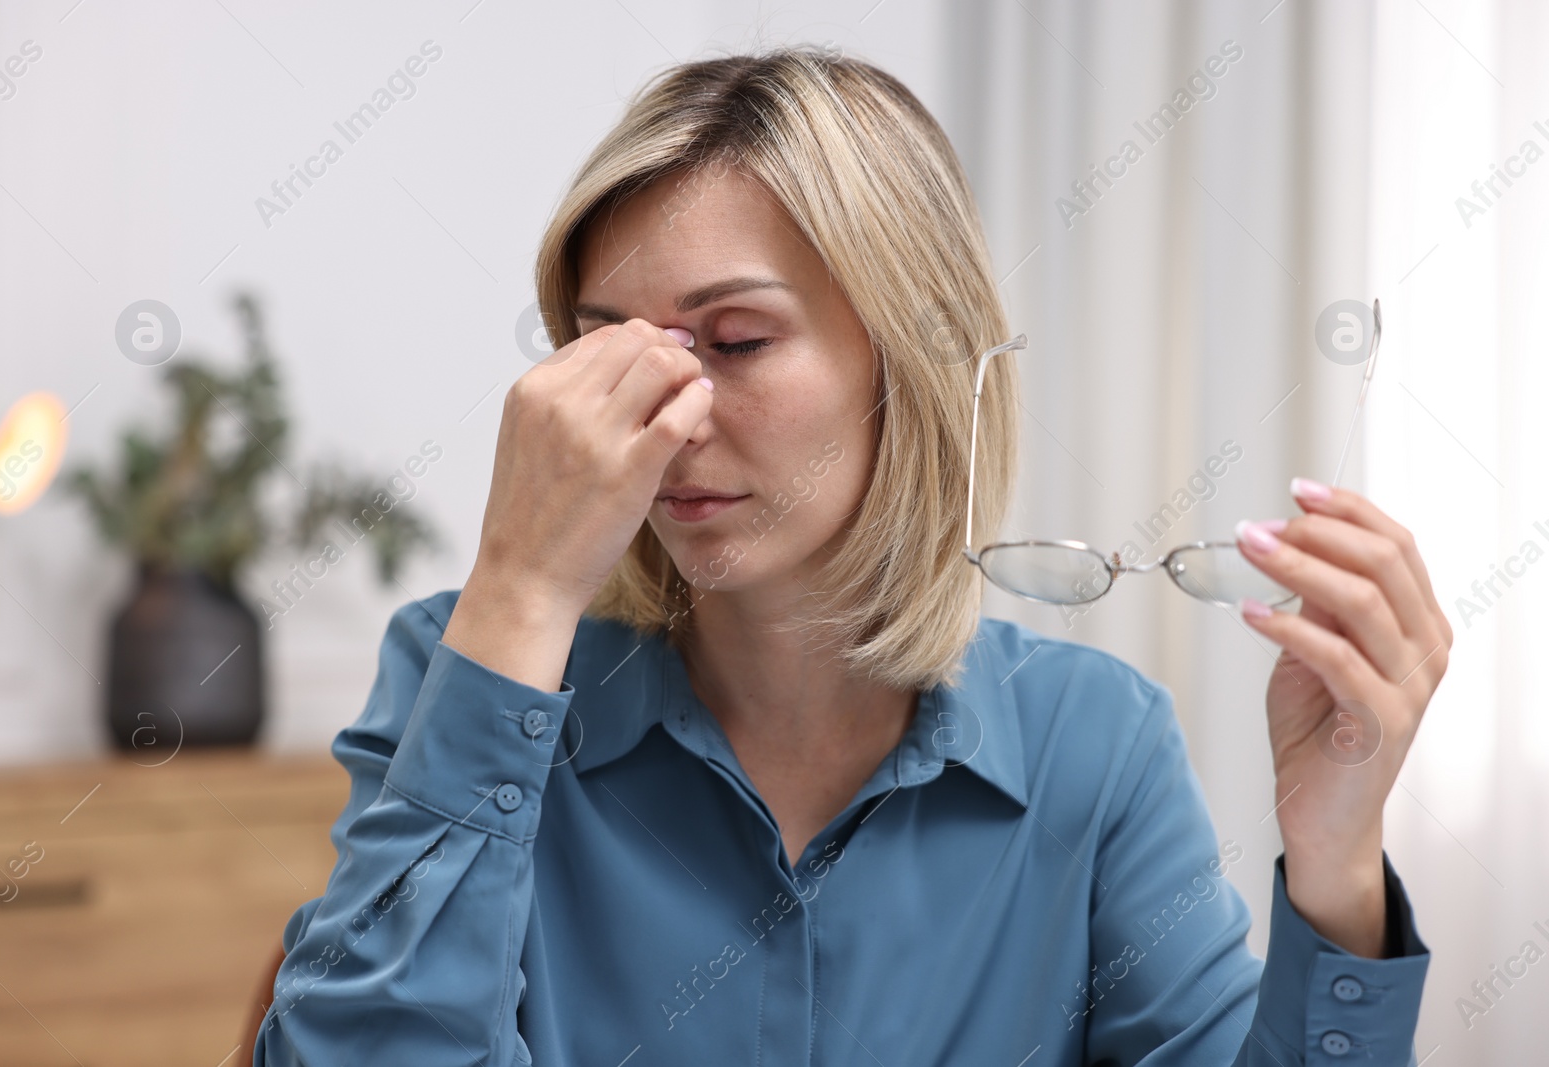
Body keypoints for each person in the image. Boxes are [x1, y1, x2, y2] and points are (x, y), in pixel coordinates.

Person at [254, 46, 1451, 1066]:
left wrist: (1336, 862)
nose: (664, 414)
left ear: (913, 358)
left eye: (734, 338)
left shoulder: (1094, 744)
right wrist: (518, 589)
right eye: (606, 349)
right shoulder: (466, 671)